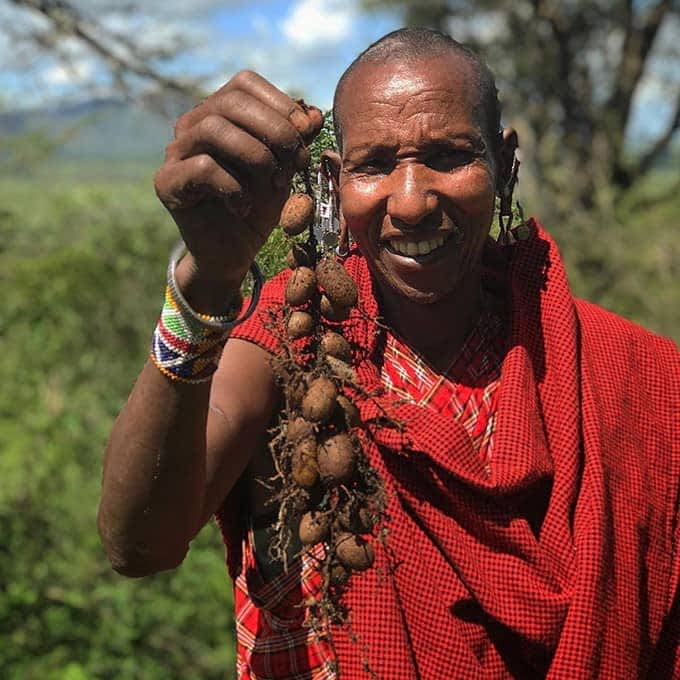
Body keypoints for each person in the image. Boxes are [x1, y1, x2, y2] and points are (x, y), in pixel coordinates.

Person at [98, 27, 680, 679]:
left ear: (505, 164)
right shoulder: (292, 342)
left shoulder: (633, 373)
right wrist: (206, 280)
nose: (411, 202)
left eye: (451, 156)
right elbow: (137, 545)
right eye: (375, 165)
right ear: (332, 181)